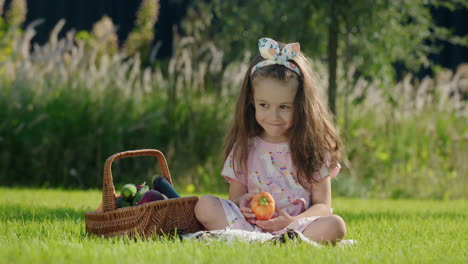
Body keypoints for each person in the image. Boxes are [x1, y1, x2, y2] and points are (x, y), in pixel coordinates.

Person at [194, 37, 346, 245]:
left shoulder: (313, 149)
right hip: (250, 227)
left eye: (284, 107)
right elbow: (234, 201)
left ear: (301, 106)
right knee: (205, 205)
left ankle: (282, 241)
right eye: (264, 105)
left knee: (335, 225)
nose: (273, 117)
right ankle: (258, 241)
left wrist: (291, 222)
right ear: (251, 102)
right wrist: (242, 203)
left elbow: (323, 206)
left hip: (296, 227)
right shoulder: (244, 147)